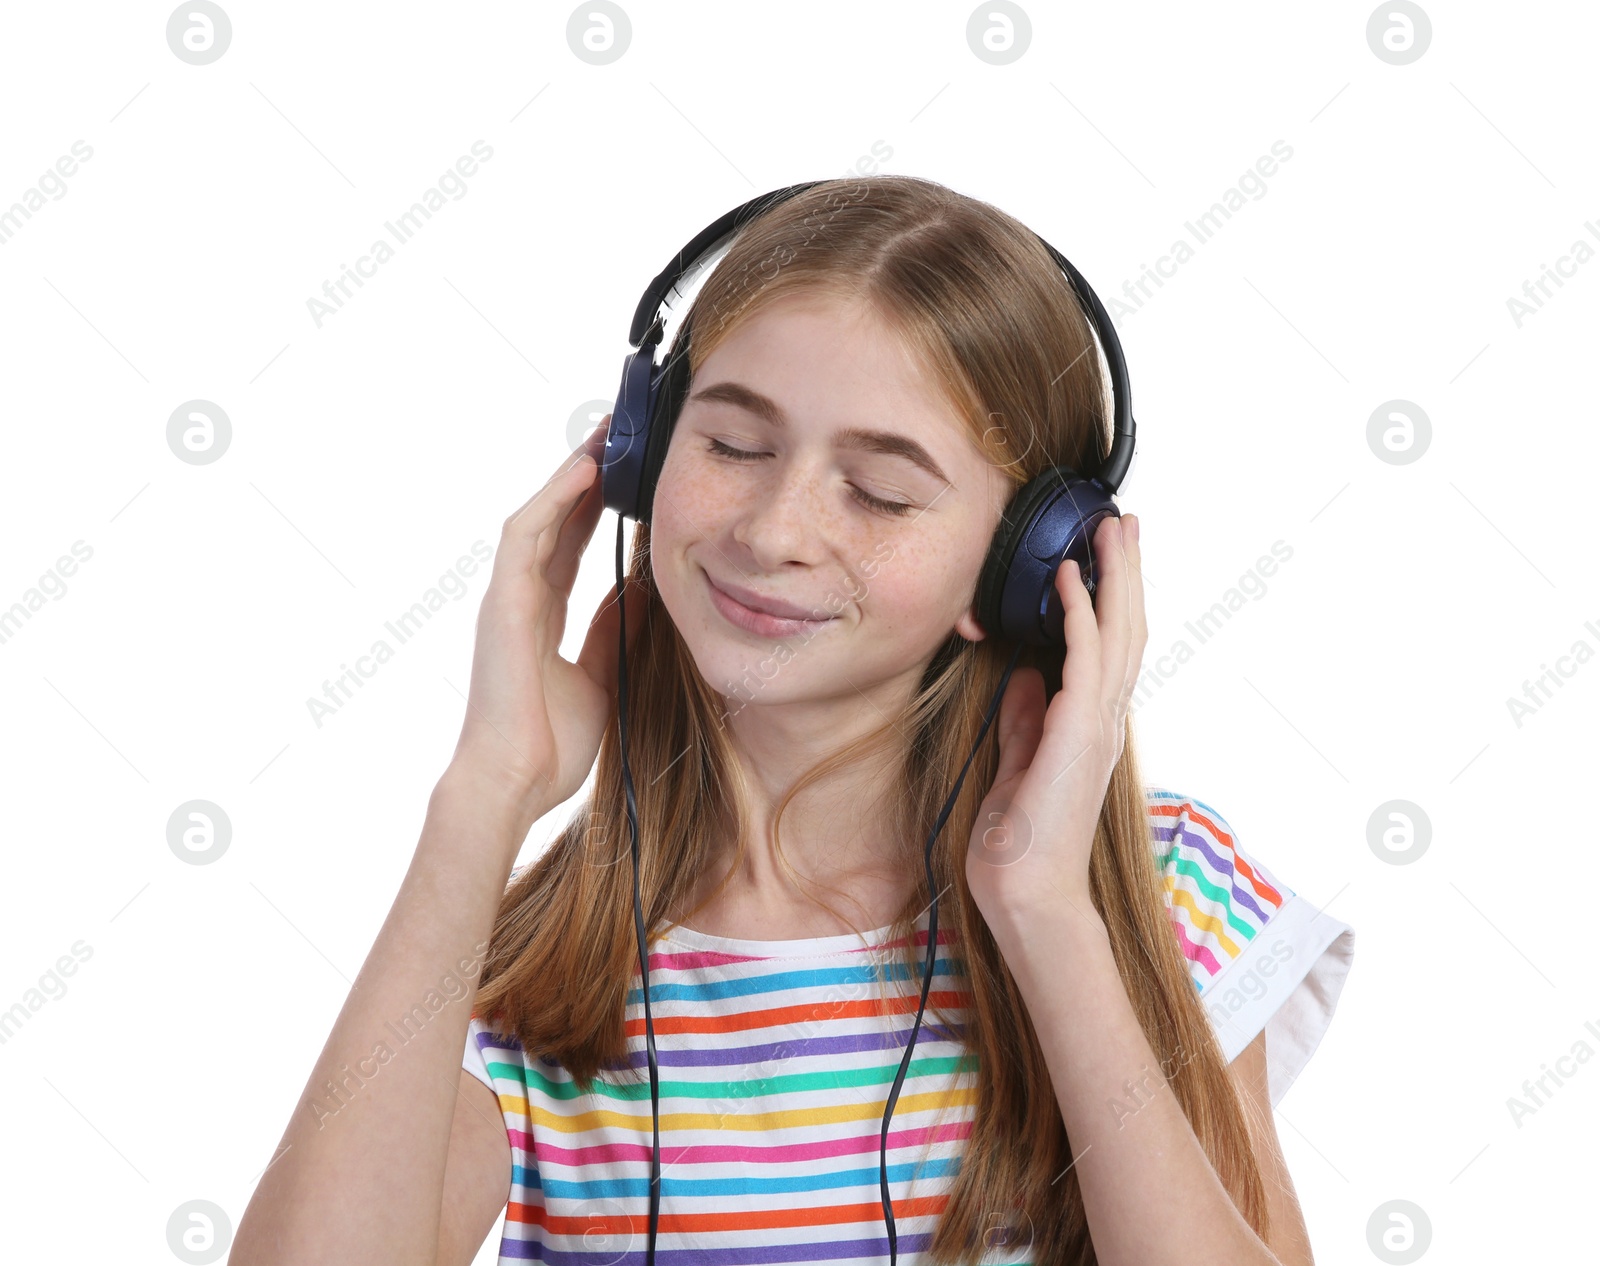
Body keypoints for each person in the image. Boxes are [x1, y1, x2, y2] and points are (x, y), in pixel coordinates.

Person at [231, 175, 1354, 1266]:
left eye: (880, 492)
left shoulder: (1160, 895)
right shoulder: (526, 994)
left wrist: (1047, 914)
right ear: (639, 449)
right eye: (730, 446)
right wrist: (484, 794)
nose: (775, 531)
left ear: (1026, 563)